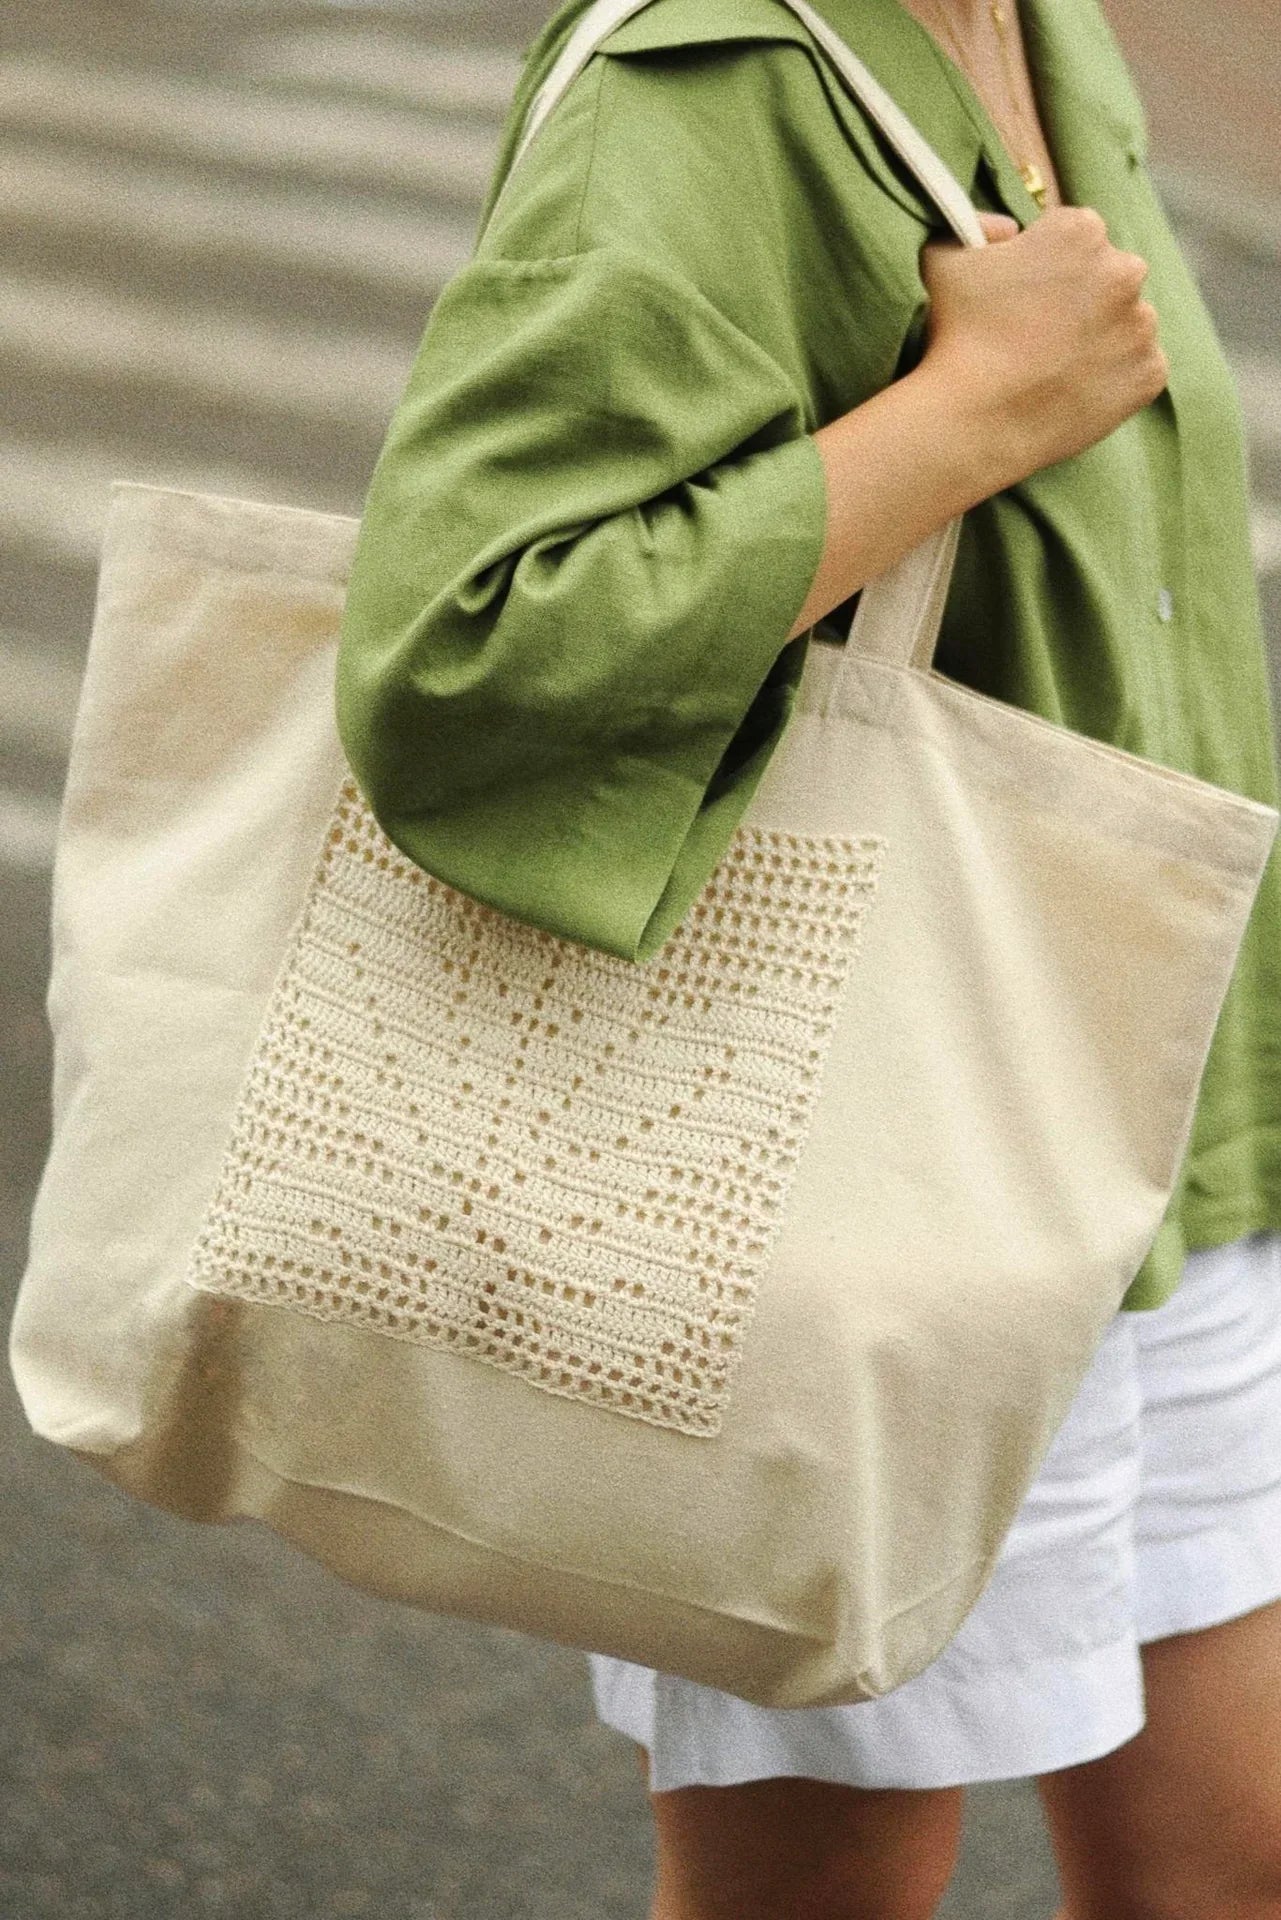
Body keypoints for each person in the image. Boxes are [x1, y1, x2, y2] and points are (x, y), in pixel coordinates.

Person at [334, 0, 1281, 1914]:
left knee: (1230, 1866)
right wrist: (966, 417)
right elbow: (467, 659)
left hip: (1171, 1141)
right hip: (876, 1157)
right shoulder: (704, 76)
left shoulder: (1042, 28)